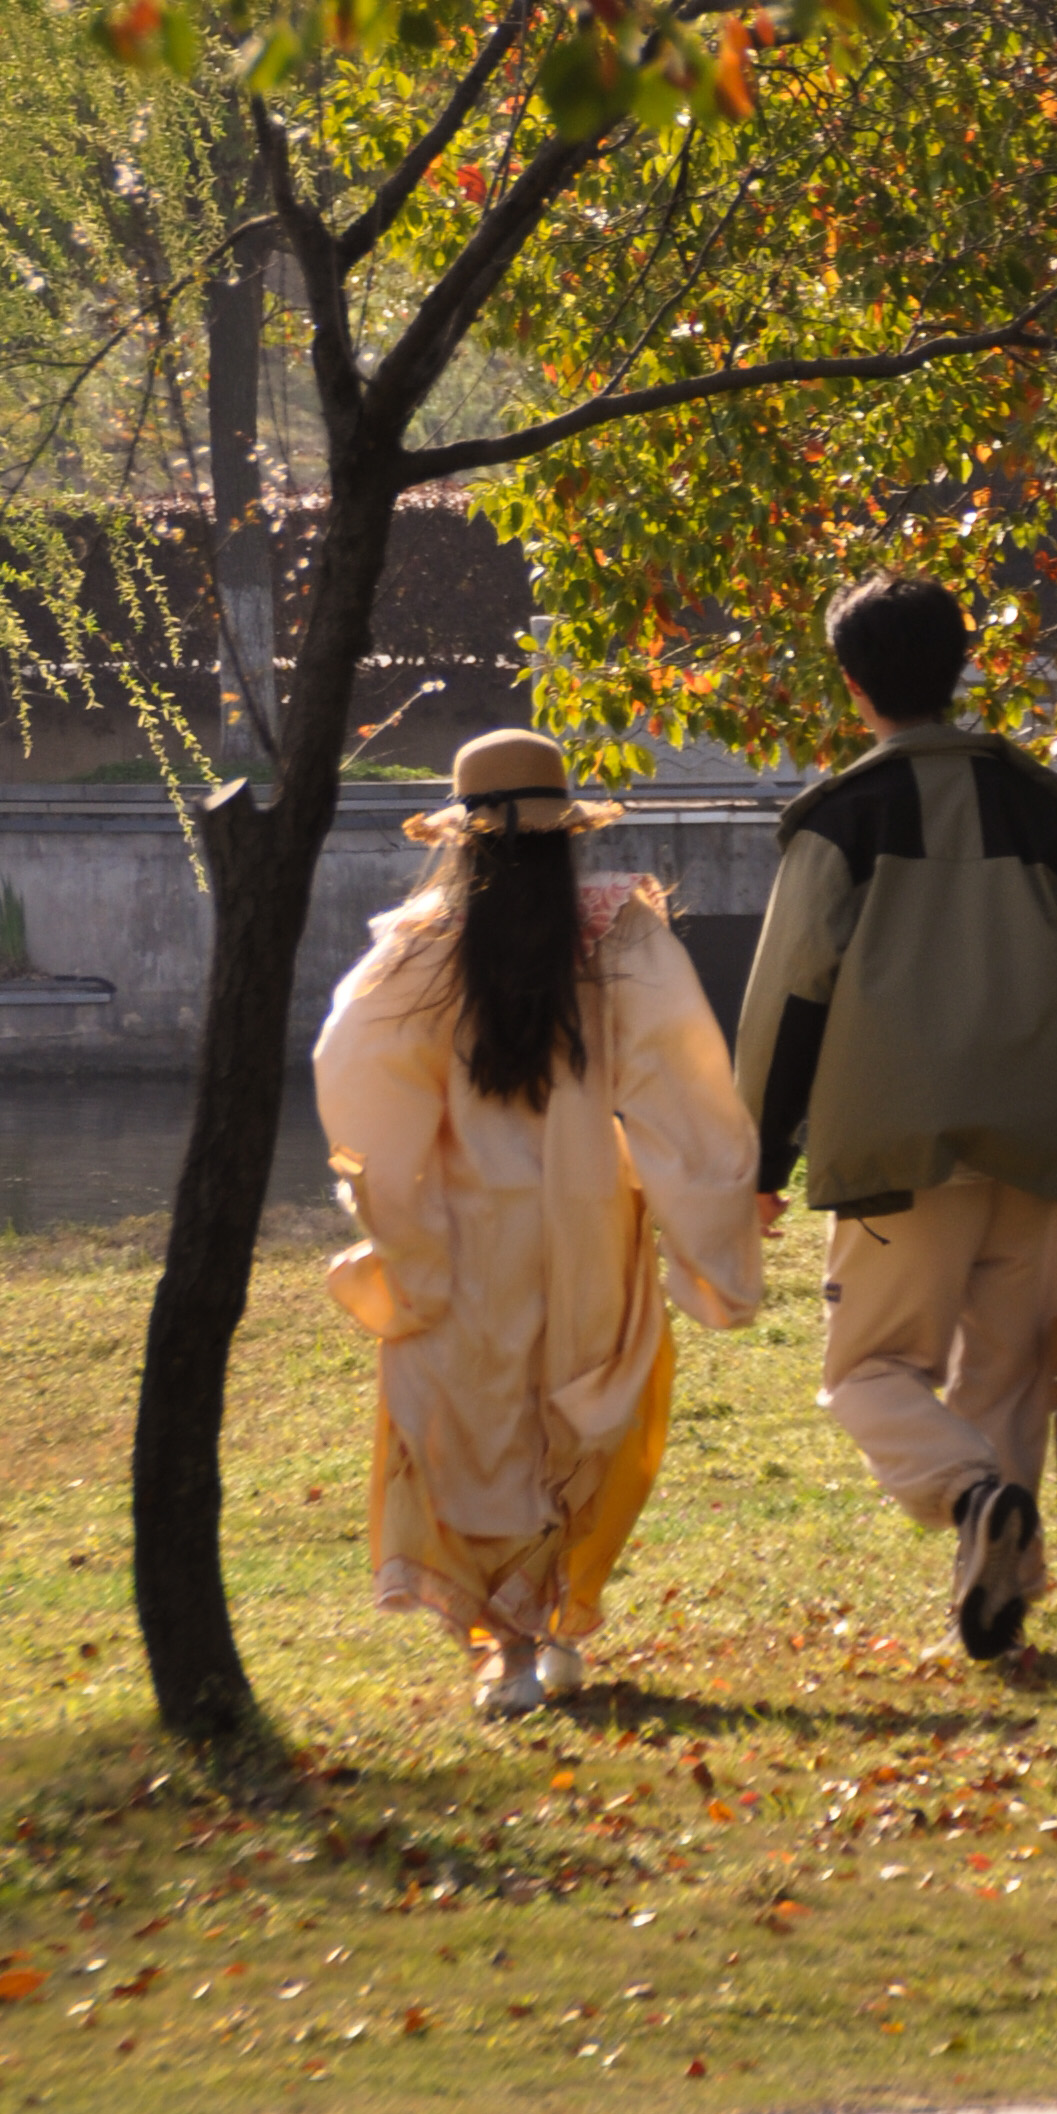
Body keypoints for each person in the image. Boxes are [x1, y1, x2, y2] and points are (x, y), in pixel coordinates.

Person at [731, 572, 1057, 1664]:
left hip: (897, 1147)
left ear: (851, 682)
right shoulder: (1038, 810)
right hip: (1036, 1136)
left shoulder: (839, 820)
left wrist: (758, 1158)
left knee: (866, 1372)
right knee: (1009, 1380)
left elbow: (789, 999)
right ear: (962, 664)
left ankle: (974, 1502)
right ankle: (1000, 1589)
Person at [313, 728, 764, 1719]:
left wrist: (395, 1212)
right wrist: (711, 1206)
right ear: (566, 832)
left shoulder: (419, 946)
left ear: (461, 837)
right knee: (582, 1410)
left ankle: (510, 1651)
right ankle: (560, 1625)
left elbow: (354, 1072)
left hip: (468, 1222)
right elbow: (683, 1079)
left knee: (483, 1425)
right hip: (592, 1218)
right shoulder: (620, 933)